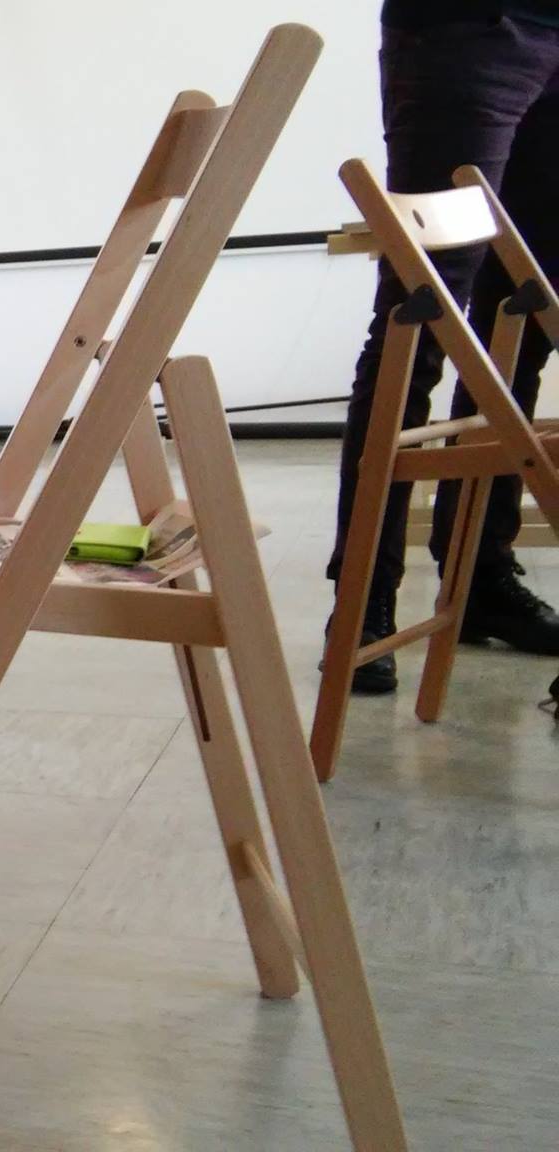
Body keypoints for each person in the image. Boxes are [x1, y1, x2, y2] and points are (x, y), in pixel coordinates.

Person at [327, 0, 559, 694]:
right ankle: (363, 601)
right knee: (419, 317)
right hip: (467, 26)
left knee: (526, 315)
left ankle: (481, 575)